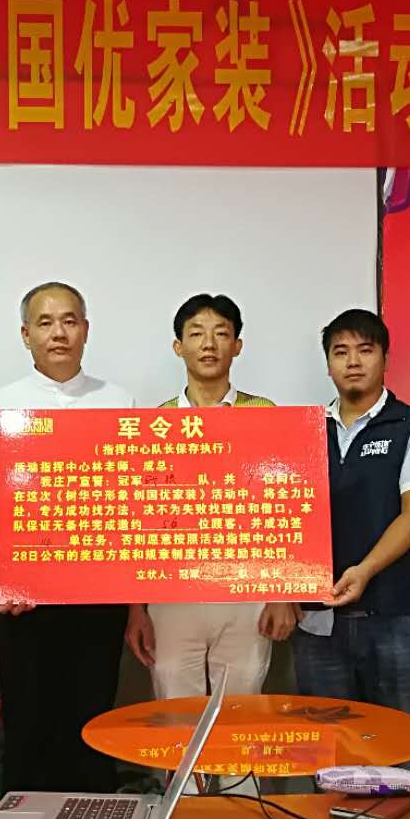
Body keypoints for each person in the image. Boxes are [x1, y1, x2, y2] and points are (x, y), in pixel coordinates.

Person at [0, 281, 133, 793]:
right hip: (24, 598)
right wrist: (3, 563)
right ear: (25, 335)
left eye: (69, 321)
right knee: (29, 725)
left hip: (99, 595)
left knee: (93, 724)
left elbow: (134, 501)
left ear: (86, 330)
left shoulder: (119, 402)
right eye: (45, 322)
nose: (58, 333)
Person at [290, 309, 410, 785]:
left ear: (385, 358)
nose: (353, 362)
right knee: (328, 755)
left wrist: (364, 570)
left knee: (403, 748)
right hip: (319, 624)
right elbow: (285, 518)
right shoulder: (304, 431)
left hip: (397, 618)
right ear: (328, 365)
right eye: (341, 352)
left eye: (365, 350)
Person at [125, 293, 296, 698]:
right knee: (175, 712)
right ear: (178, 346)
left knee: (239, 713)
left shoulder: (266, 414)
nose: (208, 344)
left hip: (246, 590)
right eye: (196, 333)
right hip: (172, 593)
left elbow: (286, 506)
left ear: (237, 346)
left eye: (221, 333)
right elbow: (138, 521)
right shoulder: (155, 423)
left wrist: (282, 593)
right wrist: (136, 609)